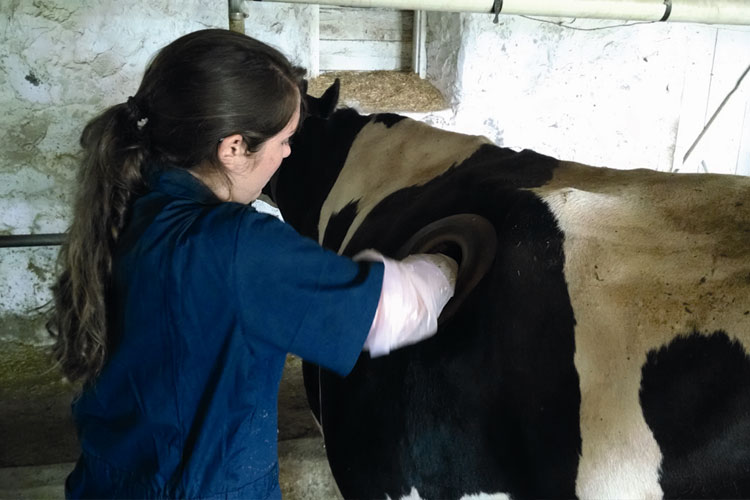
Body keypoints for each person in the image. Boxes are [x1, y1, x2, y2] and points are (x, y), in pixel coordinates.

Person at [48, 28, 457, 499]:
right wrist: (447, 261)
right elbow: (392, 312)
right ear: (234, 148)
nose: (287, 153)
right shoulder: (239, 245)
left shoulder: (127, 206)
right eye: (285, 139)